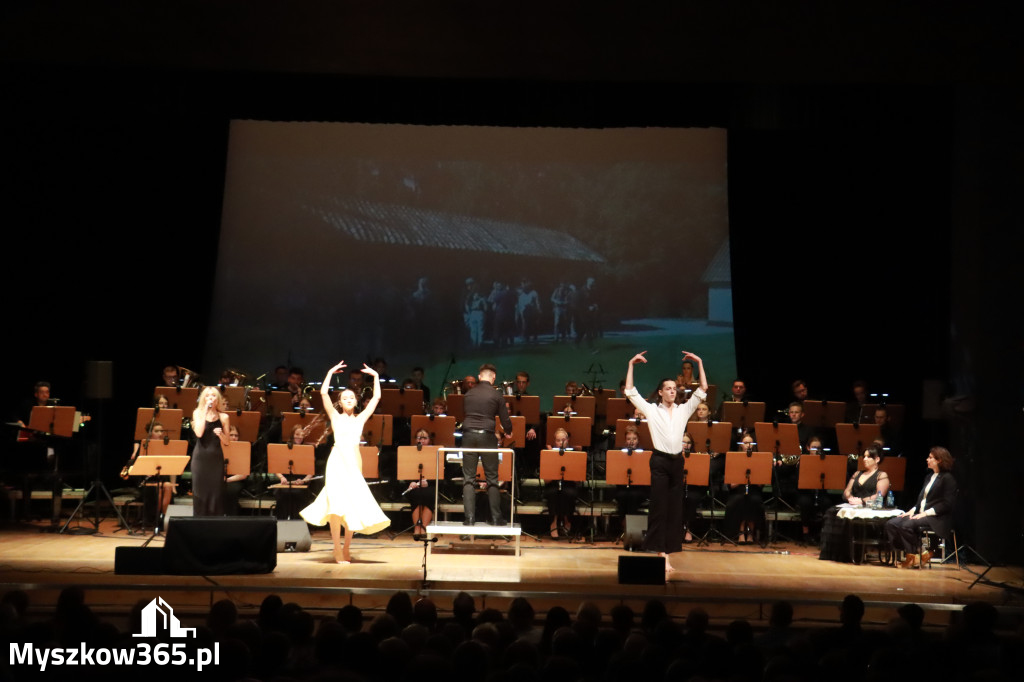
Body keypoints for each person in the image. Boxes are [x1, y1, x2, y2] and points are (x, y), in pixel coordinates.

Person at [624, 349, 708, 571]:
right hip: (660, 461)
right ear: (661, 392)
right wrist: (631, 364)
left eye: (674, 388)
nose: (672, 391)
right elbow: (630, 392)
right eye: (668, 389)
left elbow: (703, 390)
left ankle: (668, 551)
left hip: (677, 462)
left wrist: (699, 362)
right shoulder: (652, 410)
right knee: (660, 508)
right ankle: (661, 552)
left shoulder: (683, 410)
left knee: (674, 509)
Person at [301, 361, 391, 563]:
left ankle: (347, 547)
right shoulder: (335, 416)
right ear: (340, 402)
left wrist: (376, 376)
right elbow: (324, 394)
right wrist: (330, 372)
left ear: (356, 401)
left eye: (351, 397)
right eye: (345, 398)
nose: (349, 399)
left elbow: (376, 397)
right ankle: (336, 548)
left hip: (353, 464)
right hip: (336, 463)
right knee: (335, 506)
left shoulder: (360, 419)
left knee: (352, 505)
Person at [460, 363, 513, 537]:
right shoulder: (496, 394)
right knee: (491, 477)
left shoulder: (468, 393)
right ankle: (496, 518)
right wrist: (508, 431)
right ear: (493, 378)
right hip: (487, 436)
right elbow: (505, 419)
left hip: (468, 435)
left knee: (468, 478)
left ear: (479, 376)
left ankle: (469, 519)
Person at [885, 446, 956, 568]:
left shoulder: (948, 479)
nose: (927, 459)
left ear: (939, 460)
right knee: (891, 524)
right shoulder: (929, 477)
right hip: (922, 514)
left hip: (937, 517)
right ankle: (917, 554)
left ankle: (912, 557)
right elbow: (922, 500)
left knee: (906, 526)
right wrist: (912, 511)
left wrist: (926, 513)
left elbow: (946, 504)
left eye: (930, 458)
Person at [818, 444, 890, 562]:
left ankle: (851, 554)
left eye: (868, 457)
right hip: (853, 505)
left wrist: (861, 501)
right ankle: (833, 554)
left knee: (848, 520)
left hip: (869, 508)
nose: (865, 459)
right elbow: (847, 490)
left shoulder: (881, 475)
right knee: (831, 513)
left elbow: (879, 495)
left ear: (877, 459)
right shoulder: (857, 474)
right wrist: (850, 497)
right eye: (864, 456)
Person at [191, 386, 231, 516]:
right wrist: (204, 413)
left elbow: (227, 442)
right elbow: (199, 433)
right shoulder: (197, 413)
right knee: (200, 492)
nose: (210, 398)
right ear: (204, 399)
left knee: (215, 492)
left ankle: (214, 525)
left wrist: (220, 435)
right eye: (207, 396)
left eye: (213, 396)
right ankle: (198, 525)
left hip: (215, 459)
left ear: (217, 399)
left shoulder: (224, 417)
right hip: (200, 458)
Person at [723, 432, 766, 544]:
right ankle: (741, 532)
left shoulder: (759, 459)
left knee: (754, 500)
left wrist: (753, 478)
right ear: (741, 445)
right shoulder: (734, 458)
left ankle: (751, 532)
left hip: (754, 489)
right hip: (738, 490)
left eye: (751, 443)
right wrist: (742, 478)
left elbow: (761, 484)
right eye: (746, 442)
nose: (748, 445)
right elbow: (731, 484)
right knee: (739, 500)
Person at [543, 428, 578, 540]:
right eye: (558, 440)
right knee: (553, 493)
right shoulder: (549, 455)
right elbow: (546, 480)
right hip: (552, 483)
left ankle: (567, 519)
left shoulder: (574, 455)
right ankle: (553, 523)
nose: (561, 442)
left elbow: (577, 480)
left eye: (563, 439)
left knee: (569, 493)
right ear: (554, 442)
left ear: (568, 440)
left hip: (569, 483)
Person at [404, 428, 436, 540]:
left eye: (424, 438)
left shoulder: (435, 452)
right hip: (414, 486)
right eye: (419, 438)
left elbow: (440, 474)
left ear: (429, 440)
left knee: (429, 493)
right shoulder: (409, 453)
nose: (422, 440)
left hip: (430, 485)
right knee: (416, 494)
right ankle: (416, 526)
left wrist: (428, 482)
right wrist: (411, 482)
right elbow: (404, 471)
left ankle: (424, 527)